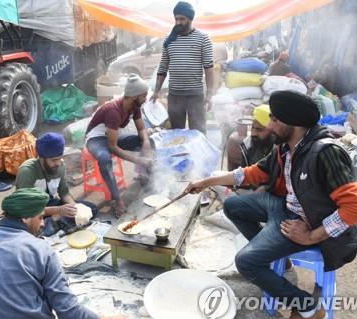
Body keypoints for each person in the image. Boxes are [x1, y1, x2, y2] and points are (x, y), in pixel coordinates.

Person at [185, 90, 357, 319]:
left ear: (294, 123)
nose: (270, 126)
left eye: (274, 120)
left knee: (246, 262)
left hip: (312, 226)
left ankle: (308, 308)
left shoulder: (326, 153)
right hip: (287, 208)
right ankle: (275, 256)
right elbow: (253, 173)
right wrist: (206, 182)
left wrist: (311, 236)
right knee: (233, 206)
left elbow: (355, 208)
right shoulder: (286, 148)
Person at [0, 188, 134, 319]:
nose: (41, 224)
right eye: (40, 218)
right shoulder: (42, 251)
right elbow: (70, 314)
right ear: (25, 219)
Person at [85, 74, 153, 217]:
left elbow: (141, 129)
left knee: (149, 141)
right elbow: (113, 147)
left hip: (114, 135)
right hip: (96, 139)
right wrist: (139, 160)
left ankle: (146, 174)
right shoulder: (113, 111)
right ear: (134, 96)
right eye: (144, 95)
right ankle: (118, 200)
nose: (145, 99)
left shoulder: (134, 106)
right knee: (104, 159)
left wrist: (146, 142)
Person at [16, 132, 98, 236]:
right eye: (54, 160)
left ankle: (55, 224)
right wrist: (58, 211)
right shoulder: (27, 171)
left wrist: (74, 207)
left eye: (59, 158)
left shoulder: (60, 165)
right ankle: (55, 223)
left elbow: (64, 193)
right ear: (42, 158)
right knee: (27, 227)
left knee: (91, 209)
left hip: (51, 204)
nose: (58, 163)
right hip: (33, 211)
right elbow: (26, 208)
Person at [151, 1, 214, 134]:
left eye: (182, 19)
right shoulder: (169, 40)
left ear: (190, 19)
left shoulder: (203, 39)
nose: (178, 22)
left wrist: (209, 94)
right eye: (176, 19)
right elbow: (163, 67)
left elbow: (209, 68)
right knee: (176, 133)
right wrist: (156, 91)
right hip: (175, 96)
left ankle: (199, 155)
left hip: (195, 96)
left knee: (198, 133)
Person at [238, 104, 274, 169]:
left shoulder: (281, 151)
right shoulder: (247, 146)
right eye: (252, 127)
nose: (253, 133)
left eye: (259, 129)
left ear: (271, 130)